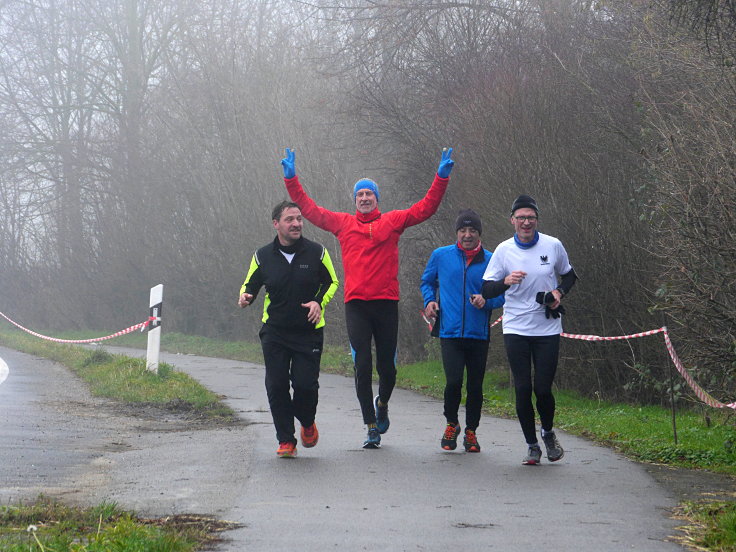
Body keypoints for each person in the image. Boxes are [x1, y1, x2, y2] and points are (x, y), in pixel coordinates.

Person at [281, 147, 454, 448]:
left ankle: (382, 403)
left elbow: (425, 208)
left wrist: (441, 177)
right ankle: (370, 425)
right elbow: (309, 210)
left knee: (387, 368)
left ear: (376, 199)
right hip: (357, 305)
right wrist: (291, 179)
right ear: (355, 200)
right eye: (359, 194)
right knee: (362, 365)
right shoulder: (343, 224)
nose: (364, 198)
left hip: (386, 304)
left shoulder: (392, 221)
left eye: (369, 194)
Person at [481, 195, 578, 465]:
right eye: (521, 218)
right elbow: (486, 289)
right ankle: (532, 445)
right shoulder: (503, 251)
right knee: (523, 388)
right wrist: (506, 281)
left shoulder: (553, 245)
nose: (526, 222)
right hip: (515, 328)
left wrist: (558, 291)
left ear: (537, 220)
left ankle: (547, 432)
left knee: (543, 388)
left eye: (531, 217)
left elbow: (570, 275)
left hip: (546, 327)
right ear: (512, 220)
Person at [238, 201, 339, 458]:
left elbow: (332, 282)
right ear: (276, 224)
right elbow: (250, 283)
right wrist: (246, 296)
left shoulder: (317, 252)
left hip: (308, 331)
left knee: (305, 385)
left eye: (299, 219)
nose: (296, 224)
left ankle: (306, 421)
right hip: (275, 332)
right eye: (289, 220)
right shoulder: (262, 256)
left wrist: (319, 301)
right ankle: (286, 439)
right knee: (277, 384)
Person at [420, 209, 505, 453]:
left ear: (479, 234)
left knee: (475, 386)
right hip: (449, 332)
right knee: (453, 382)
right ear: (456, 232)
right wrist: (430, 301)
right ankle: (451, 423)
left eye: (472, 231)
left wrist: (486, 302)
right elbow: (427, 281)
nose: (467, 235)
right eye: (463, 230)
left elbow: (504, 294)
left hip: (478, 333)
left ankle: (471, 431)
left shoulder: (492, 260)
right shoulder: (441, 256)